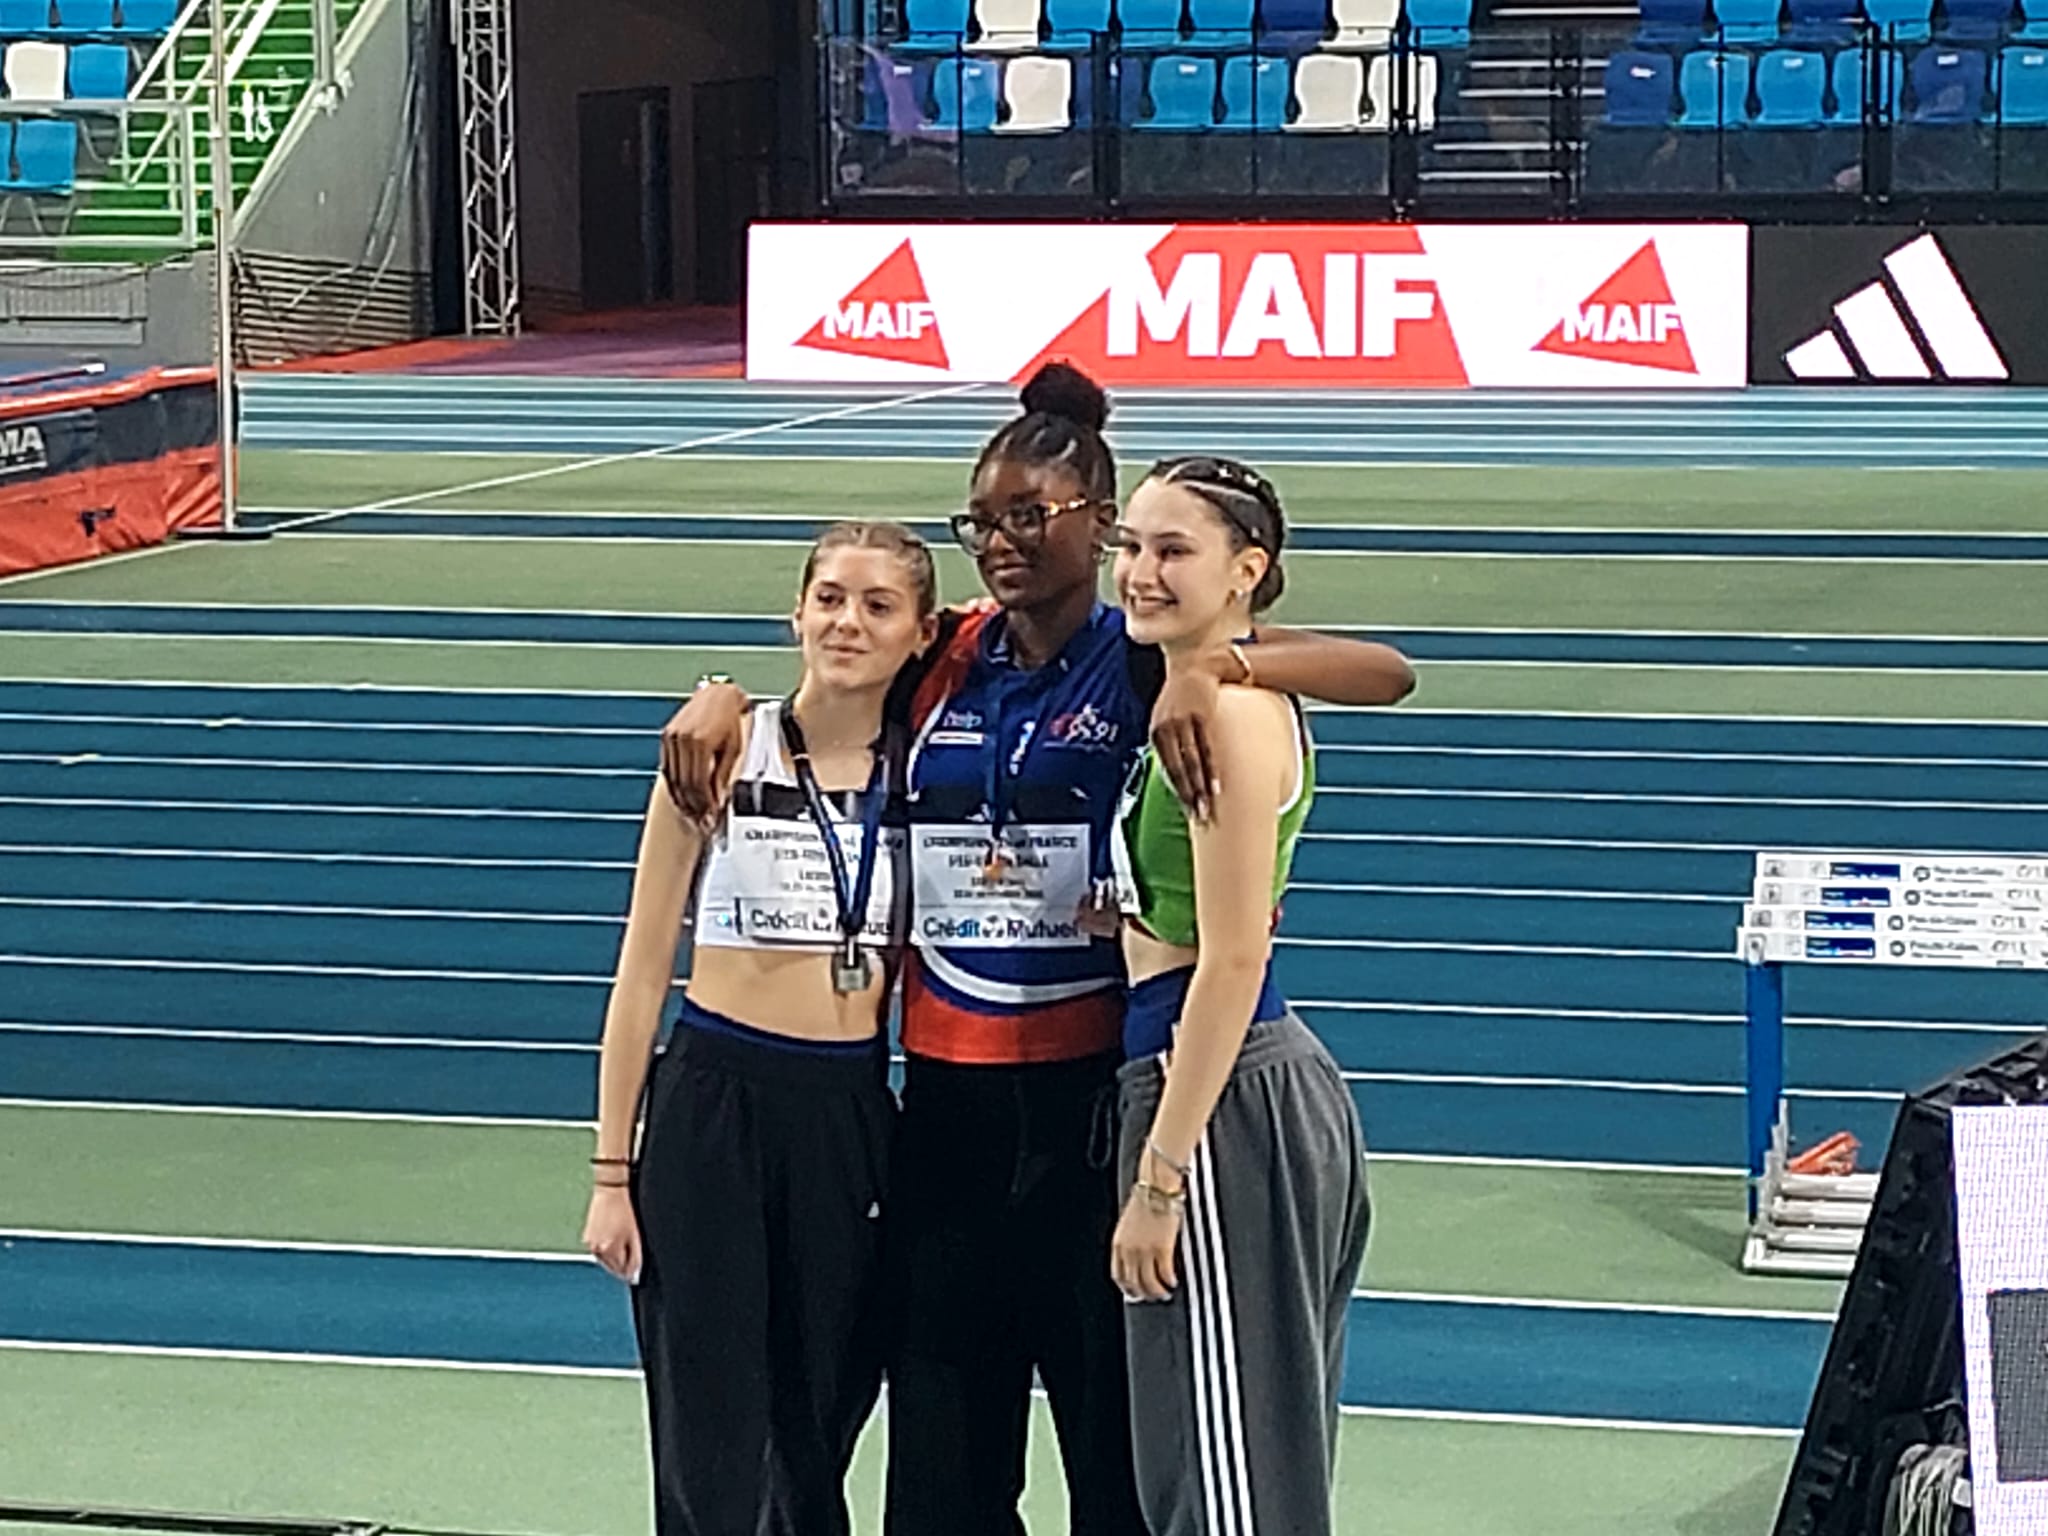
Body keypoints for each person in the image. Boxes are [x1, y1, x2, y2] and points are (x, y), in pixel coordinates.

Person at [660, 362, 1414, 1536]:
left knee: (1116, 1456)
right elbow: (826, 674)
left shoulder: (1146, 654)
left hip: (1090, 1108)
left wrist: (1222, 663)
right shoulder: (944, 655)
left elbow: (1383, 673)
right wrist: (720, 692)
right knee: (942, 1465)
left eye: (1029, 517)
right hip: (944, 1110)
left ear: (1096, 523)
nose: (1001, 544)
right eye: (981, 523)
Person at [581, 521, 940, 1536]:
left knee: (820, 1416)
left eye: (877, 605)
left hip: (847, 1114)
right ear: (795, 615)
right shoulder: (717, 751)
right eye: (829, 598)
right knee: (707, 1417)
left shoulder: (929, 776)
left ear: (920, 632)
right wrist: (611, 1173)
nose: (847, 622)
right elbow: (641, 970)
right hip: (711, 1105)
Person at [1108, 456, 1369, 1536]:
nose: (1139, 571)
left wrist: (1159, 1179)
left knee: (1228, 1485)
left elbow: (1229, 960)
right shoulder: (1212, 691)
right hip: (1208, 1079)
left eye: (1172, 550)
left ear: (1245, 570)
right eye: (1129, 545)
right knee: (1214, 1460)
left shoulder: (1226, 714)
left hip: (1215, 1094)